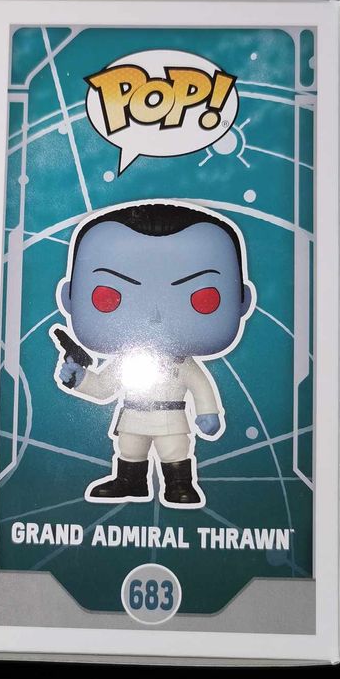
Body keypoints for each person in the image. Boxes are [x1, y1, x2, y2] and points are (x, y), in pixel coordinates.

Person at [52, 201, 255, 508]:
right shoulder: (125, 361)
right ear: (69, 297)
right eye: (108, 297)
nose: (156, 315)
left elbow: (200, 386)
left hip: (171, 416)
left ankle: (179, 483)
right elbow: (104, 387)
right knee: (130, 448)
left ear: (242, 301)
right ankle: (129, 481)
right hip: (133, 415)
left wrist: (208, 412)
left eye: (203, 298)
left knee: (174, 449)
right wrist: (78, 378)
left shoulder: (183, 363)